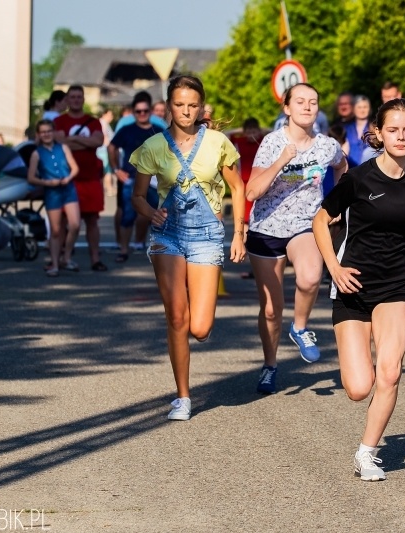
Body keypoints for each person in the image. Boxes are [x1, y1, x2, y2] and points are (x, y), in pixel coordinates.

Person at [312, 97, 405, 481]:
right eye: (393, 130)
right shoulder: (358, 179)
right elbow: (320, 221)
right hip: (353, 285)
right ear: (379, 133)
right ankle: (362, 365)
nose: (401, 136)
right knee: (359, 388)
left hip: (394, 285)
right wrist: (334, 268)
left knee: (389, 374)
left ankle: (367, 453)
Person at [129, 75, 246, 421]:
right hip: (168, 235)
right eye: (179, 105)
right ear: (167, 106)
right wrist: (151, 212)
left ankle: (198, 328)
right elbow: (137, 196)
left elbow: (237, 189)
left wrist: (240, 233)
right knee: (177, 317)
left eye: (192, 105)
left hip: (207, 236)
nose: (186, 111)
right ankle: (182, 397)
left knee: (200, 327)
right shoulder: (153, 147)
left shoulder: (218, 142)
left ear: (201, 107)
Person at [246, 82, 347, 393]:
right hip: (267, 227)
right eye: (300, 101)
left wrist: (338, 202)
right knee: (271, 310)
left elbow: (342, 166)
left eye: (313, 102)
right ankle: (270, 365)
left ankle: (300, 327)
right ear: (286, 108)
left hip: (305, 223)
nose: (307, 106)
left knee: (310, 277)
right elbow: (252, 191)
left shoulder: (327, 146)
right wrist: (282, 161)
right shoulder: (272, 143)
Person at [54, 85, 107, 271]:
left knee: (92, 220)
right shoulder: (59, 121)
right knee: (63, 221)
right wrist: (85, 142)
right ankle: (59, 258)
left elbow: (98, 141)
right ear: (67, 100)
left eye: (79, 97)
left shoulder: (93, 122)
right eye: (72, 97)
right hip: (68, 179)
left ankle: (95, 259)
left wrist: (73, 141)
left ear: (83, 99)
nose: (76, 100)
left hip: (91, 178)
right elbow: (59, 142)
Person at [108, 93, 164, 262]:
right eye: (138, 111)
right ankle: (124, 249)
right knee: (127, 214)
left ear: (150, 111)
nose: (142, 114)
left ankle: (140, 243)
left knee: (151, 213)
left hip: (153, 181)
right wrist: (116, 169)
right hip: (131, 178)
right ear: (133, 112)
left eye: (145, 110)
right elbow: (112, 147)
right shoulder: (127, 130)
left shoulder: (159, 130)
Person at [27, 119, 81, 277]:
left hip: (68, 189)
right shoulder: (36, 153)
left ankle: (67, 257)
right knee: (56, 230)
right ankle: (55, 264)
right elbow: (30, 178)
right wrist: (47, 182)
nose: (46, 134)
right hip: (52, 192)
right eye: (43, 132)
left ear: (53, 132)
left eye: (49, 131)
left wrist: (69, 177)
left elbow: (75, 168)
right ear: (38, 134)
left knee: (75, 224)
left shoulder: (63, 147)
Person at [343, 95, 371, 168]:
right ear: (353, 109)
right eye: (359, 107)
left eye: (365, 107)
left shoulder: (374, 129)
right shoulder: (346, 128)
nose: (362, 110)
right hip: (351, 170)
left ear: (369, 109)